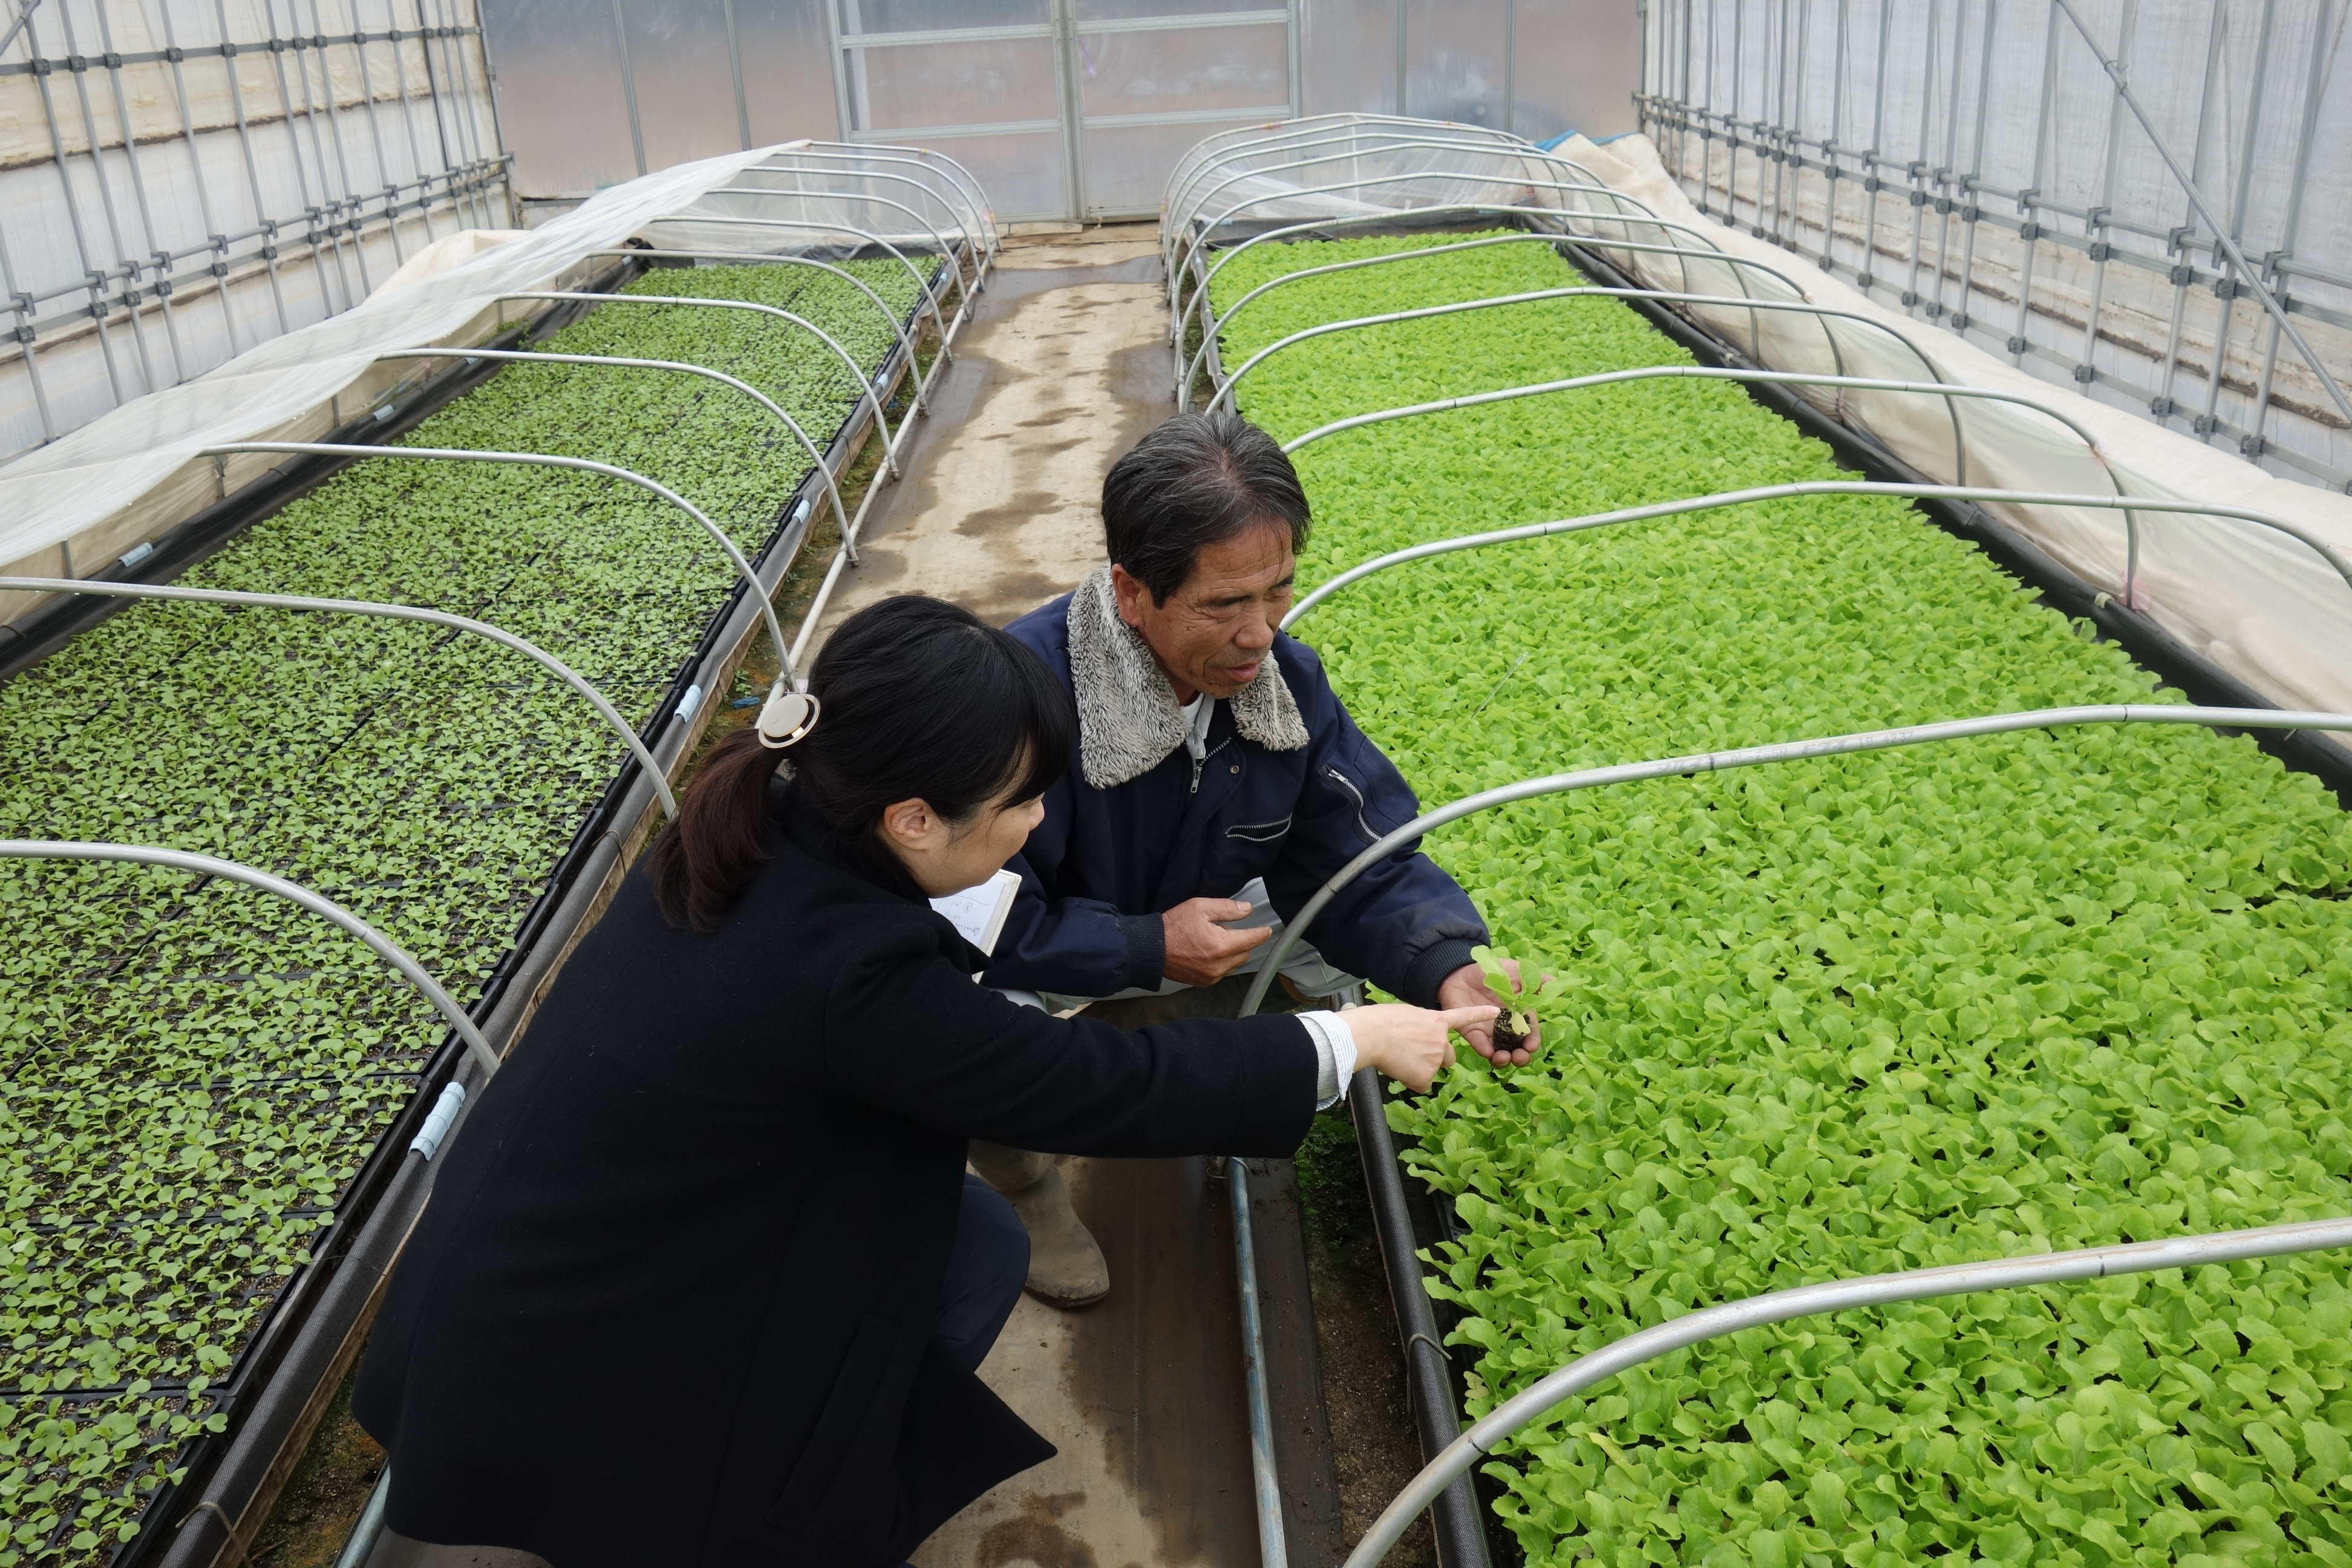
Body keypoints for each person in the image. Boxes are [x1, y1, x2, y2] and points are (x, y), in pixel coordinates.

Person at [351, 595, 1493, 1568]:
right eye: (1019, 805)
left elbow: (986, 918)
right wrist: (1351, 1039)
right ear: (911, 817)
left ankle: (805, 1441)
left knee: (969, 1240)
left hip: (574, 1253)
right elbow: (1086, 1081)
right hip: (582, 1351)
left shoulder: (767, 818)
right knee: (948, 1264)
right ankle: (760, 1514)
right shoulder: (847, 974)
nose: (1040, 822)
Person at [973, 411, 1541, 1308]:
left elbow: (1355, 856)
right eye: (1224, 604)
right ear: (1131, 592)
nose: (1260, 633)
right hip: (1046, 940)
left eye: (1276, 591)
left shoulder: (1284, 685)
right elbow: (974, 916)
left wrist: (1447, 966)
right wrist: (1141, 948)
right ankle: (1026, 1189)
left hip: (1187, 911)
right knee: (971, 1024)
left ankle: (1226, 1064)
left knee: (1321, 930)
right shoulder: (1016, 701)